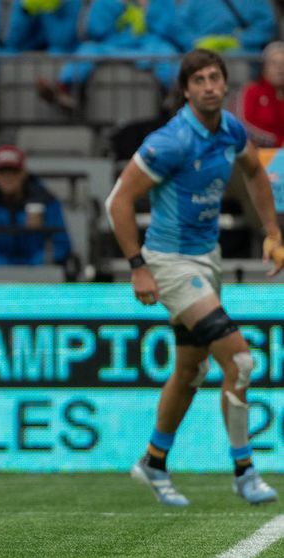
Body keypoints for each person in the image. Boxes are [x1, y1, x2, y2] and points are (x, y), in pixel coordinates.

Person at [106, 49, 284, 506]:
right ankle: (244, 471)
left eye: (214, 78)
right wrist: (138, 267)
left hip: (207, 259)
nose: (208, 86)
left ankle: (153, 461)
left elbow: (255, 173)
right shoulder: (171, 141)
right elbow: (117, 201)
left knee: (190, 370)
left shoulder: (231, 130)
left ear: (225, 84)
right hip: (170, 262)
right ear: (185, 90)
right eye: (199, 80)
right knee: (239, 361)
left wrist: (272, 232)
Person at [37, 0, 180, 112]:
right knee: (87, 50)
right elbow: (95, 30)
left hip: (148, 46)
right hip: (110, 47)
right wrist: (117, 4)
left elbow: (169, 30)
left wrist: (147, 8)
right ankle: (64, 89)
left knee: (166, 51)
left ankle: (177, 89)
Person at [237, 41, 284, 148]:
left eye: (283, 63)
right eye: (274, 63)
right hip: (259, 151)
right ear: (264, 67)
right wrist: (278, 142)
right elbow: (244, 125)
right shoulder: (251, 91)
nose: (280, 68)